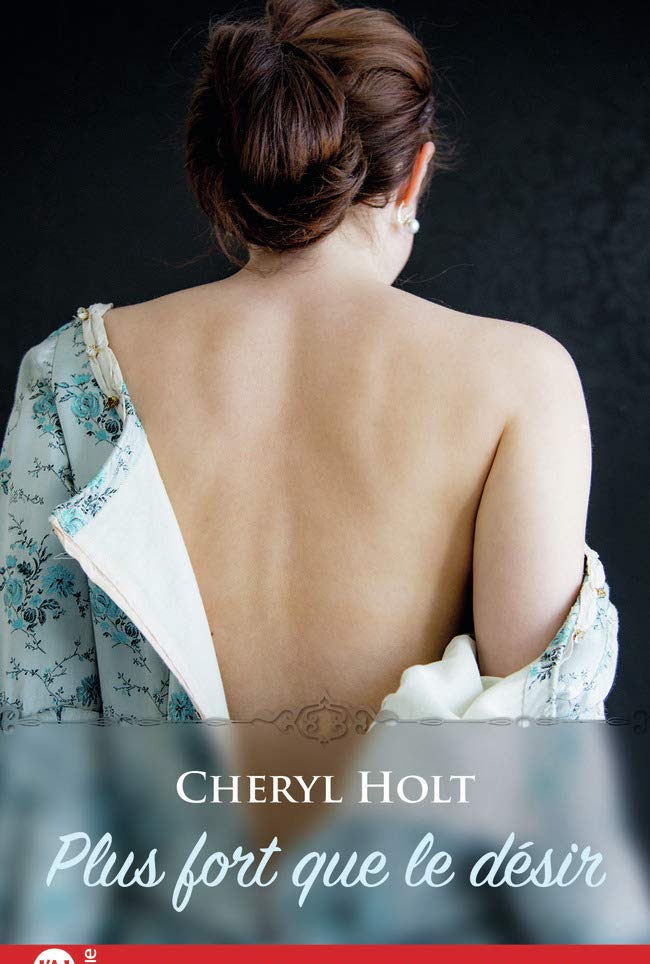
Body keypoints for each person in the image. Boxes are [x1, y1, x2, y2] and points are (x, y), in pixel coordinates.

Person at [0, 0, 617, 725]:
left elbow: (37, 717)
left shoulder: (66, 372)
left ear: (225, 170)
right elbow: (536, 736)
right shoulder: (524, 380)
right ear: (414, 175)